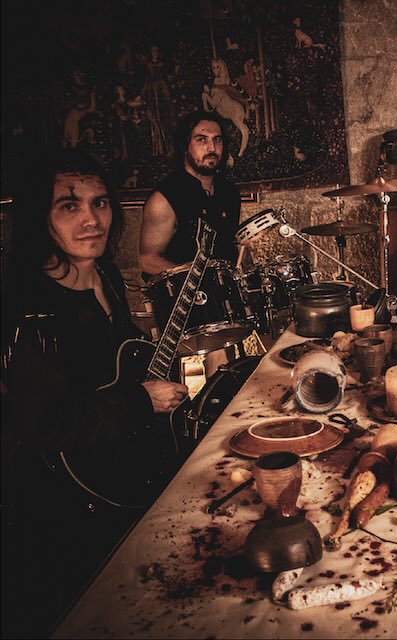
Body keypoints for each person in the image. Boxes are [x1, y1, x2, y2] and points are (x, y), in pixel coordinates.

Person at [1, 150, 189, 637]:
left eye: (100, 203)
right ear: (38, 216)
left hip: (123, 464)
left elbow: (117, 364)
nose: (91, 219)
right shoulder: (28, 309)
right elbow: (44, 424)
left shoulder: (105, 275)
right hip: (67, 502)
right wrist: (140, 401)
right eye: (69, 205)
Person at [139, 110, 241, 277]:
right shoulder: (165, 197)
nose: (212, 148)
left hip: (226, 297)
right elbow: (148, 260)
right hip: (184, 297)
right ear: (185, 146)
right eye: (202, 140)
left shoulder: (229, 192)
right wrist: (202, 280)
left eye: (218, 140)